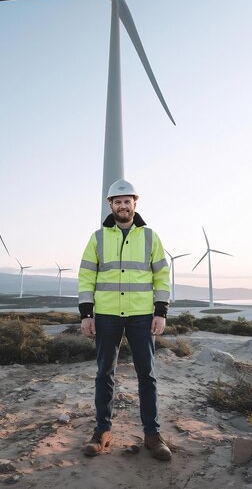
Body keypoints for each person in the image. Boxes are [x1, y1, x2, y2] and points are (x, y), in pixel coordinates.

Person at [78, 178, 171, 461]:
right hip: (106, 315)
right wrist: (86, 314)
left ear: (135, 203)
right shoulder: (97, 237)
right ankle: (103, 432)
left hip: (142, 315)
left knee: (148, 375)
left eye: (126, 201)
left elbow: (162, 275)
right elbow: (86, 276)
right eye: (117, 201)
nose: (122, 205)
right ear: (110, 205)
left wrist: (160, 311)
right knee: (104, 374)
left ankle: (152, 435)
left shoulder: (150, 237)